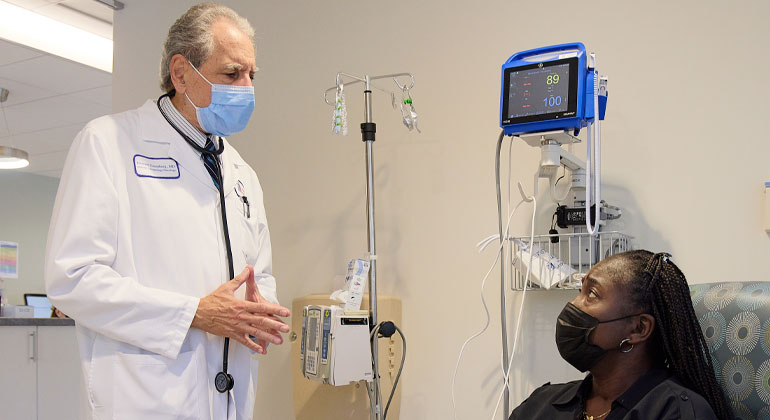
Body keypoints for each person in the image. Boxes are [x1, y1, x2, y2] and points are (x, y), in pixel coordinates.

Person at [44, 3, 290, 419]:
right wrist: (193, 313)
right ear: (181, 73)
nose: (246, 87)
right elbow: (72, 278)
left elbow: (258, 273)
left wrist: (259, 312)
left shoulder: (241, 173)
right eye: (232, 74)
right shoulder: (108, 144)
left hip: (228, 396)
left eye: (251, 75)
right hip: (149, 398)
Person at [509, 250, 731, 420]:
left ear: (638, 328)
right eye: (580, 292)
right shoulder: (540, 405)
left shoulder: (676, 412)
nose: (574, 305)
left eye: (592, 294)